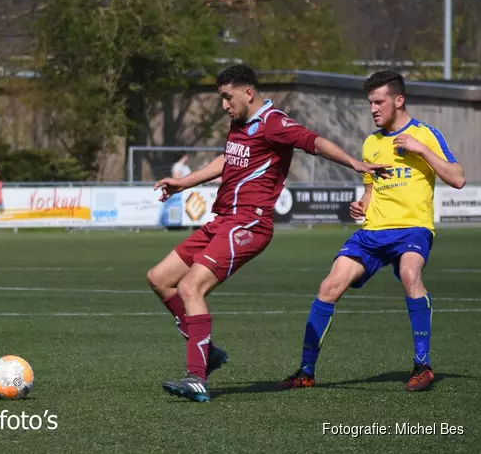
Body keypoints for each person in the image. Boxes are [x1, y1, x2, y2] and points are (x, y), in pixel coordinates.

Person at [147, 65, 389, 402]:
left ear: (248, 93)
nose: (224, 106)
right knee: (159, 278)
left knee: (190, 287)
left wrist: (355, 164)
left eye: (227, 98)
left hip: (249, 223)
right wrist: (183, 183)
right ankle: (208, 352)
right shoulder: (240, 123)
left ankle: (197, 377)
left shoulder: (274, 122)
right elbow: (228, 160)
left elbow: (313, 141)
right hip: (223, 219)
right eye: (221, 98)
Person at [280, 71, 466, 393]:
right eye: (370, 103)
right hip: (373, 232)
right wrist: (362, 204)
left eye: (379, 102)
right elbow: (370, 191)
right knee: (329, 286)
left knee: (410, 274)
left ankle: (423, 365)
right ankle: (305, 372)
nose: (373, 109)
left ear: (399, 100)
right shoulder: (371, 143)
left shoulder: (426, 135)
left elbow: (458, 178)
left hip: (413, 228)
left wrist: (421, 150)